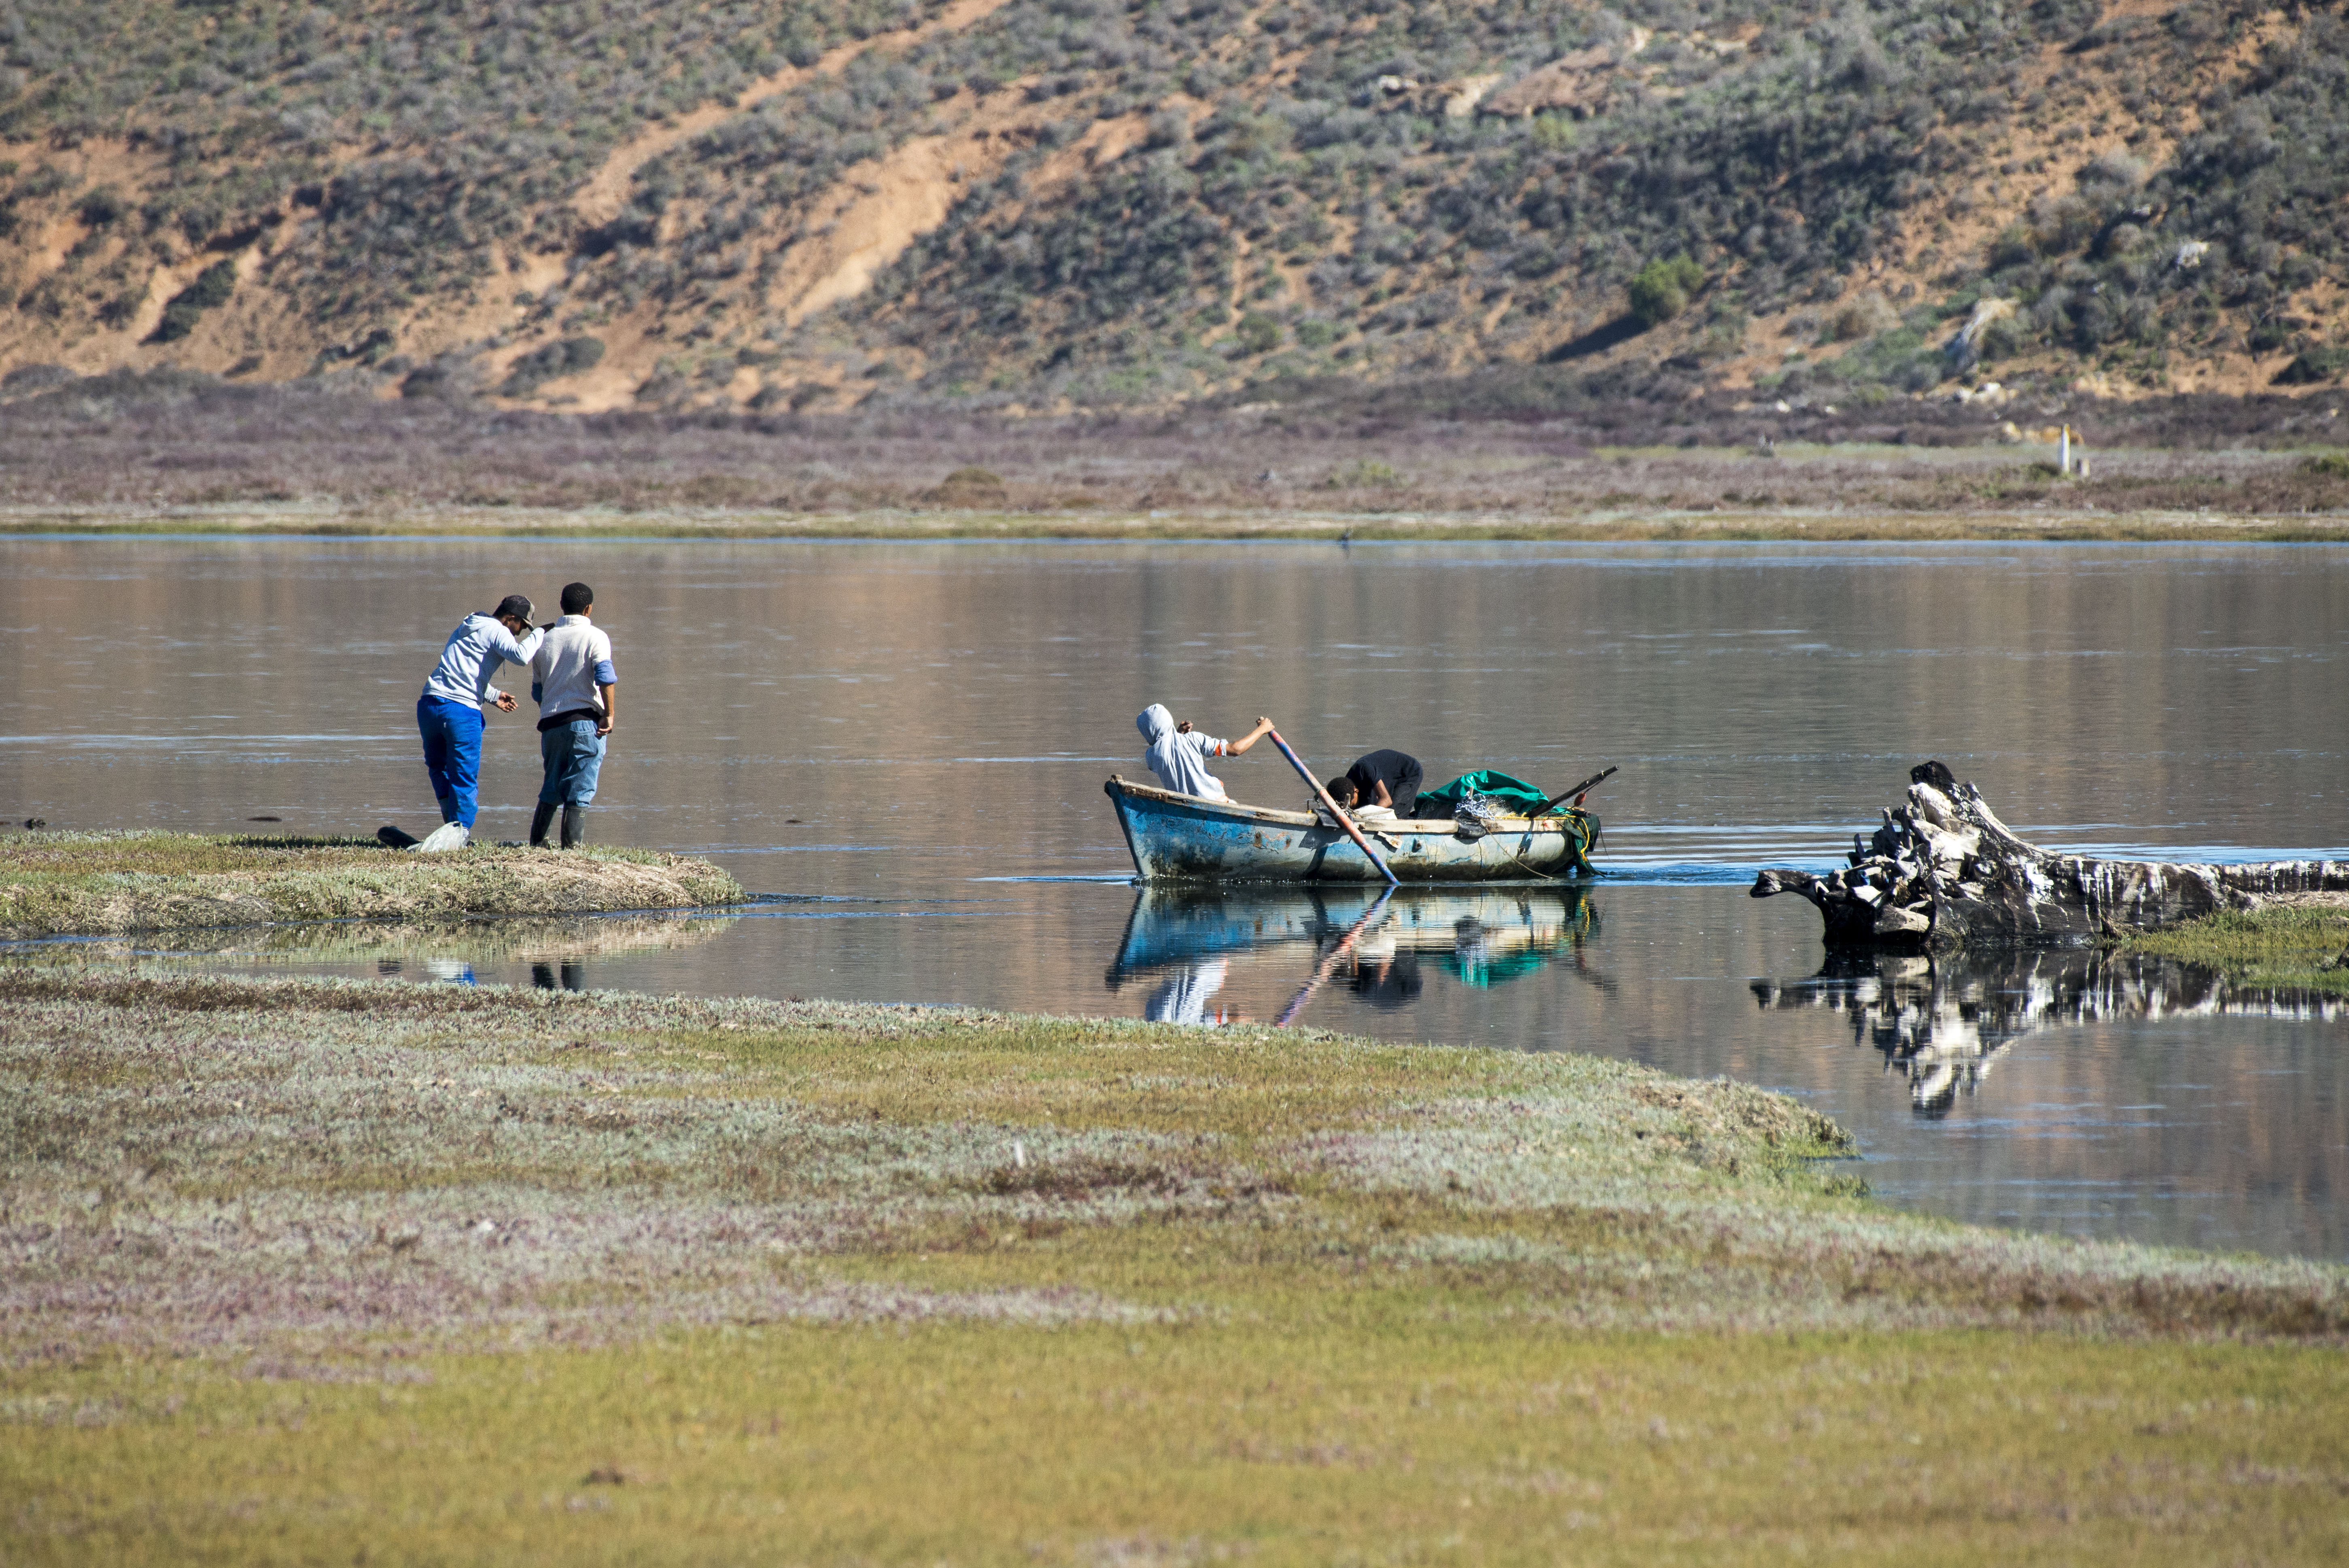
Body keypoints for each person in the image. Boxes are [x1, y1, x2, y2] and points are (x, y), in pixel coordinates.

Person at [401, 594, 545, 852]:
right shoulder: (497, 629)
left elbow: (463, 671)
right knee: (464, 776)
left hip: (429, 705)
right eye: (522, 626)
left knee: (439, 767)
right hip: (460, 713)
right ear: (510, 618)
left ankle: (451, 832)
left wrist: (492, 695)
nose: (522, 632)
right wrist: (541, 634)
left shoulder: (471, 625)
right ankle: (461, 835)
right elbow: (522, 656)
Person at [528, 581, 619, 849]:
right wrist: (609, 716)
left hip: (551, 725)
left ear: (561, 606)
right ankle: (572, 849)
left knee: (552, 785)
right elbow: (606, 678)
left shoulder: (543, 640)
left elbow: (537, 692)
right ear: (588, 609)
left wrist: (552, 713)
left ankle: (538, 842)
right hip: (585, 723)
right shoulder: (596, 637)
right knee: (580, 787)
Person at [1135, 704, 1275, 800]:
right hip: (1216, 801)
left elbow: (1169, 750)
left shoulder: (1151, 757)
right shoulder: (1193, 739)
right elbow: (1235, 750)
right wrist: (1262, 729)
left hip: (1184, 810)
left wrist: (1178, 734)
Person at [1323, 748, 1425, 819]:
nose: (1352, 808)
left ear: (1356, 791)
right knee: (1371, 807)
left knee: (1395, 815)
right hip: (1387, 774)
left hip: (1409, 772)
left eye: (1351, 805)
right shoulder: (1344, 786)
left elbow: (1386, 800)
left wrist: (1364, 817)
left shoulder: (1366, 769)